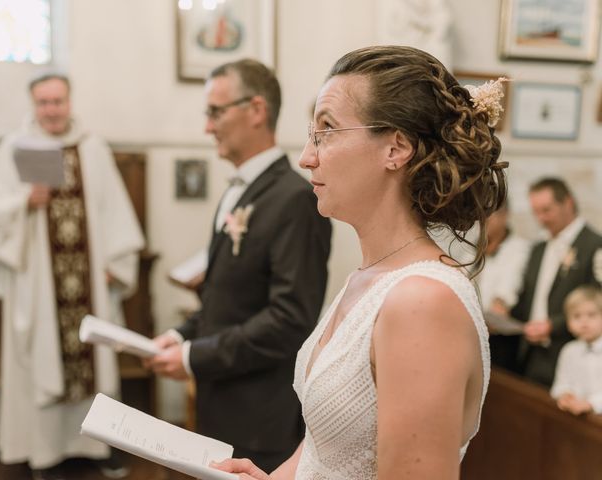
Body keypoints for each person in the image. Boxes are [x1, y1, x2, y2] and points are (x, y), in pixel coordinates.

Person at [212, 45, 507, 479]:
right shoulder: (369, 277)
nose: (305, 157)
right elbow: (325, 447)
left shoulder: (423, 303)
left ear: (395, 148)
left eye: (326, 130)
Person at [144, 59, 332, 473]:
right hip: (222, 399)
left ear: (257, 110)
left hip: (259, 414)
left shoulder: (295, 200)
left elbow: (289, 318)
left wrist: (196, 356)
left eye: (215, 112)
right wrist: (180, 336)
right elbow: (222, 297)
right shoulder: (239, 192)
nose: (207, 127)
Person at [0, 73, 144, 480]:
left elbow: (113, 209)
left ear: (69, 101)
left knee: (94, 360)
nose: (51, 109)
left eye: (58, 101)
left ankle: (97, 449)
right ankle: (45, 456)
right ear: (33, 104)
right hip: (39, 285)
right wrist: (23, 200)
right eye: (43, 102)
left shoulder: (92, 148)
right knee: (43, 358)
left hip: (88, 284)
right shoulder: (16, 147)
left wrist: (112, 261)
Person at [511, 177, 602, 387]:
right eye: (536, 212)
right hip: (531, 353)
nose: (541, 218)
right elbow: (529, 297)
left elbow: (598, 298)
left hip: (572, 351)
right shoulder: (538, 248)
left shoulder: (595, 245)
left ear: (568, 203)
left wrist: (554, 325)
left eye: (547, 210)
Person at [477, 201, 530, 371]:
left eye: (489, 216)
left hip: (498, 334)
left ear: (504, 215)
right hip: (471, 329)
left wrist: (500, 304)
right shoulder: (472, 247)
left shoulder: (518, 248)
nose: (484, 221)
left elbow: (510, 285)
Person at [550, 285, 602, 415]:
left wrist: (591, 404)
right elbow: (560, 383)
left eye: (591, 315)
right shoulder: (569, 350)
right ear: (568, 323)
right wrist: (565, 395)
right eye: (577, 316)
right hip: (575, 417)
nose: (584, 321)